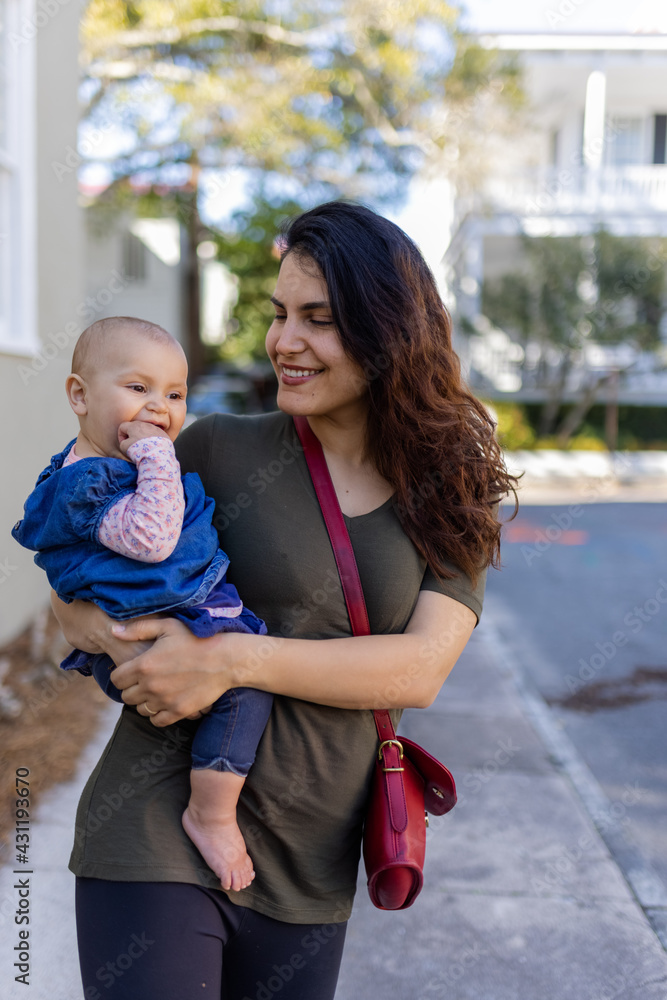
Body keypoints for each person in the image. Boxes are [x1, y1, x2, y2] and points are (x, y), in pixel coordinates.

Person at [52, 201, 517, 1000]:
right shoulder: (209, 450)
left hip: (309, 859)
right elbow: (74, 589)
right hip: (155, 822)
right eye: (279, 314)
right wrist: (114, 637)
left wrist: (227, 657)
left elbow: (417, 670)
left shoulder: (449, 490)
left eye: (319, 319)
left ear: (388, 332)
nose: (284, 342)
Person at [13, 317, 273, 891]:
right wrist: (159, 456)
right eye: (138, 388)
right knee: (247, 692)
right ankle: (211, 815)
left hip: (157, 624)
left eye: (174, 394)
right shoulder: (93, 482)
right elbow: (151, 539)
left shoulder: (97, 465)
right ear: (79, 395)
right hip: (160, 629)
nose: (159, 407)